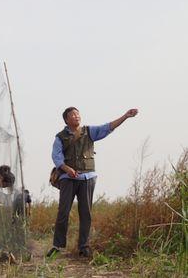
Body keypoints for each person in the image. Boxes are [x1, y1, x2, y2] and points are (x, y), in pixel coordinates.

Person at [46, 107, 138, 258]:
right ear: (66, 120)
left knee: (86, 213)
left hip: (88, 178)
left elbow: (108, 127)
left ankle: (84, 246)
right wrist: (66, 168)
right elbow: (56, 157)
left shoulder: (89, 131)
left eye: (77, 114)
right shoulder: (60, 137)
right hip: (67, 179)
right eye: (72, 115)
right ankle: (57, 246)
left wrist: (125, 116)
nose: (76, 116)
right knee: (63, 212)